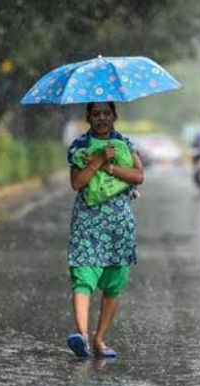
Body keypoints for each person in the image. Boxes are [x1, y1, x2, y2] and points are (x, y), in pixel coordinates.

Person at [65, 101, 145, 359]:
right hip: (88, 221)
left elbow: (138, 176)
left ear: (114, 116)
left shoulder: (125, 143)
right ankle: (83, 337)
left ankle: (100, 339)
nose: (101, 118)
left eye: (106, 114)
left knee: (114, 282)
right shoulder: (79, 147)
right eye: (96, 114)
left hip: (118, 224)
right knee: (83, 275)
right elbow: (77, 183)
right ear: (88, 117)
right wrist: (97, 161)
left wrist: (110, 166)